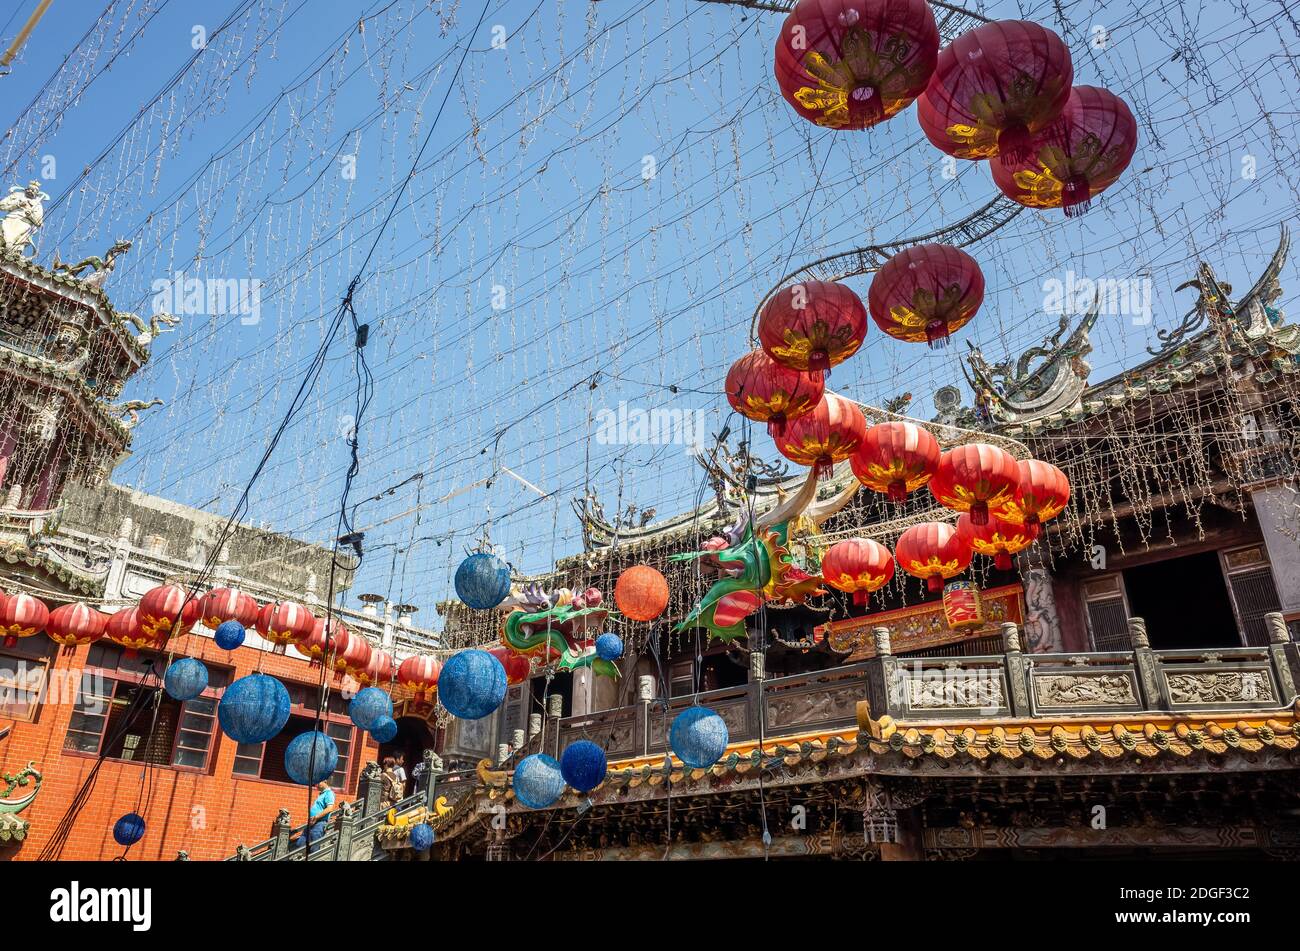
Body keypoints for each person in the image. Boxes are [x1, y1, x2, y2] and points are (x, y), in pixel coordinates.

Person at [294, 780, 337, 855]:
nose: (316, 785)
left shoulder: (329, 793)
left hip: (319, 824)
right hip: (311, 823)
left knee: (314, 848)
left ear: (325, 781)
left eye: (318, 782)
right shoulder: (321, 794)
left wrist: (316, 817)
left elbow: (330, 808)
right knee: (300, 845)